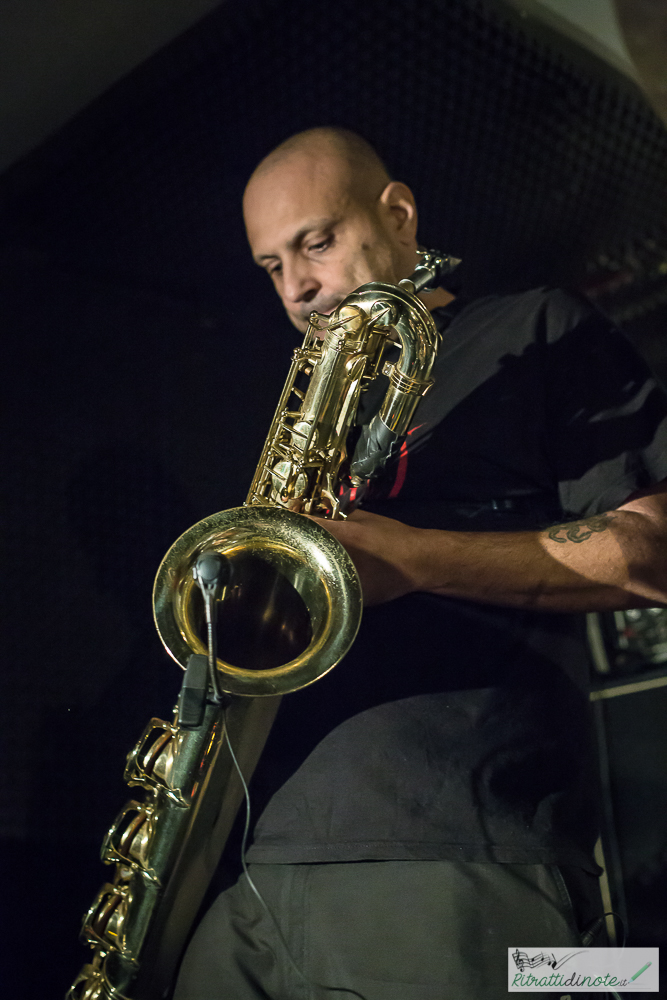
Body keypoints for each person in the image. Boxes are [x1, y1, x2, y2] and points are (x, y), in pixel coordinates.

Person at [174, 128, 667, 1000]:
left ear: (397, 215)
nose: (295, 287)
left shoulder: (532, 328)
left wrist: (415, 559)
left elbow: (652, 553)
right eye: (269, 265)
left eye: (315, 242)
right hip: (258, 863)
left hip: (455, 843)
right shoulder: (297, 413)